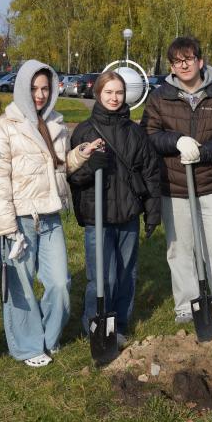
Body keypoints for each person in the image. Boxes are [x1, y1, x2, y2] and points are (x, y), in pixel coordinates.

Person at [0, 60, 100, 368]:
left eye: (45, 89)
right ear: (22, 89)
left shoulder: (54, 123)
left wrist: (79, 155)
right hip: (20, 220)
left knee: (60, 283)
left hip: (50, 218)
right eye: (34, 89)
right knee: (21, 287)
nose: (40, 95)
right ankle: (27, 347)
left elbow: (58, 167)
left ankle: (48, 338)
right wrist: (7, 227)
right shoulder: (4, 126)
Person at [140, 36, 212, 332]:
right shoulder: (160, 96)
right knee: (180, 249)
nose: (183, 65)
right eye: (177, 61)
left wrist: (203, 151)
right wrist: (176, 141)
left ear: (200, 61)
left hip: (211, 184)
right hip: (174, 186)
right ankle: (186, 305)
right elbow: (148, 134)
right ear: (171, 66)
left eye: (188, 59)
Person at [68, 71, 161, 346]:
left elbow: (150, 173)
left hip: (128, 214)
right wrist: (90, 168)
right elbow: (73, 177)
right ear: (98, 94)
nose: (114, 97)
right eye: (108, 92)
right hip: (98, 215)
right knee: (101, 277)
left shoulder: (135, 132)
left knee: (126, 273)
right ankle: (94, 325)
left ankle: (119, 324)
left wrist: (152, 212)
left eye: (119, 92)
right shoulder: (84, 131)